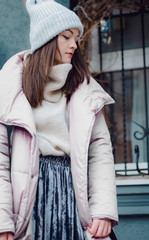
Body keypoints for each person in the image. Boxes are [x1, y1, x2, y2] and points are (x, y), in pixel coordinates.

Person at [0, 0, 118, 239]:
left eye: (76, 37)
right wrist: (3, 222)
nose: (74, 44)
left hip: (76, 199)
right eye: (66, 36)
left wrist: (103, 210)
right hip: (28, 203)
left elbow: (100, 153)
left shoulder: (85, 90)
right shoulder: (11, 87)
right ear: (47, 38)